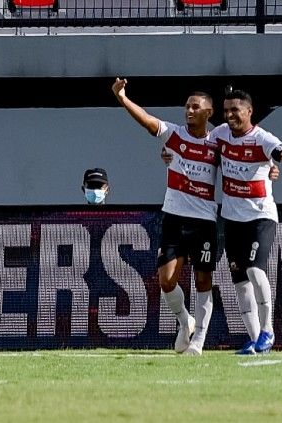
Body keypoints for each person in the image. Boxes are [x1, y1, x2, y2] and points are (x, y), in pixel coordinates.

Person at [112, 77, 226, 356]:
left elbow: (243, 157)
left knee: (202, 281)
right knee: (165, 280)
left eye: (195, 107)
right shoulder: (174, 135)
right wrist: (122, 98)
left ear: (208, 112)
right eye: (186, 106)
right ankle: (184, 321)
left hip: (205, 222)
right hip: (173, 217)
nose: (189, 111)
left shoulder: (219, 142)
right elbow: (148, 121)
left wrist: (270, 169)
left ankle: (198, 341)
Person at [211, 89, 282, 355]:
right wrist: (169, 156)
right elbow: (200, 151)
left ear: (249, 111)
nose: (230, 115)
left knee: (255, 271)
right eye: (226, 111)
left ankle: (268, 331)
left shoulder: (262, 139)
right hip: (231, 218)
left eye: (235, 110)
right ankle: (255, 340)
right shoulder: (219, 134)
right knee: (239, 282)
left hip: (260, 216)